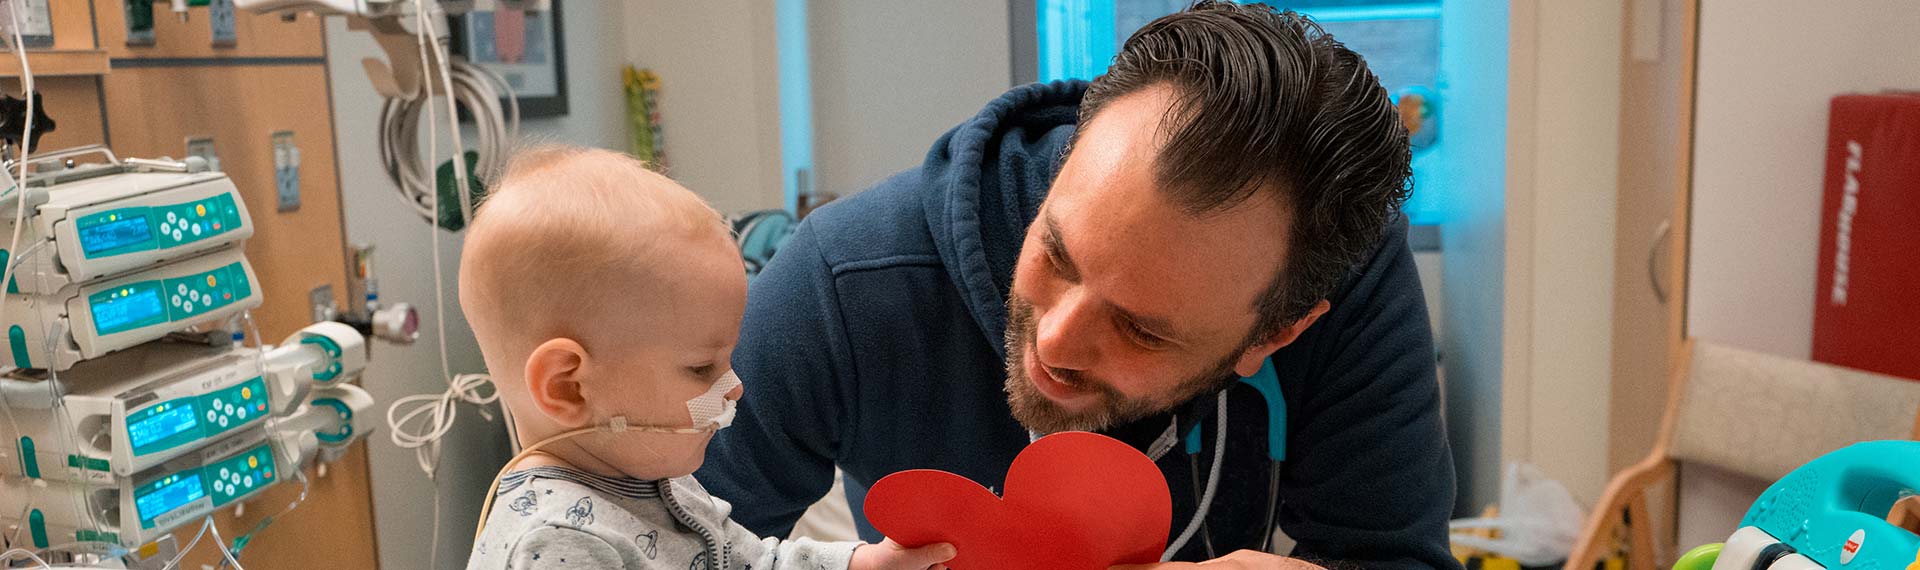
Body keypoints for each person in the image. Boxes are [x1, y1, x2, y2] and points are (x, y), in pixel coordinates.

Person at [700, 2, 1458, 569]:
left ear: (1277, 333)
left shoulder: (1342, 273)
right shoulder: (841, 279)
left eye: (1142, 328)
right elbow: (645, 539)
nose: (1054, 340)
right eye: (1056, 254)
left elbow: (1391, 552)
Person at [458, 145, 957, 570]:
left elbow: (753, 561)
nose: (734, 385)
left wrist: (855, 563)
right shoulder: (557, 540)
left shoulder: (660, 479)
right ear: (568, 386)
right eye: (701, 368)